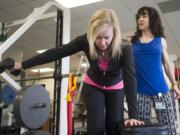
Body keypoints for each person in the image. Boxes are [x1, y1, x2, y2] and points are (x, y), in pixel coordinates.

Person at [13, 9, 143, 135]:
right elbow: (58, 52)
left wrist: (134, 116)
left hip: (115, 87)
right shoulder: (85, 40)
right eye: (98, 38)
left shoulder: (125, 48)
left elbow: (130, 79)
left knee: (114, 127)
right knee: (96, 127)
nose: (102, 43)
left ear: (114, 33)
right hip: (94, 86)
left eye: (107, 37)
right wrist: (22, 65)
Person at [131, 6, 180, 135]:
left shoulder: (161, 41)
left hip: (161, 91)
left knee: (169, 128)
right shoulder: (133, 41)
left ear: (152, 19)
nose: (140, 19)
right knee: (141, 130)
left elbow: (167, 64)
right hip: (140, 93)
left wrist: (174, 85)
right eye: (139, 16)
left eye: (144, 16)